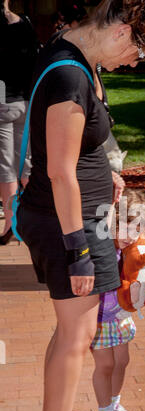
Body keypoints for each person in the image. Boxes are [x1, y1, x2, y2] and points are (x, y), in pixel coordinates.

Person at [16, 0, 145, 411]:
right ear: (123, 32)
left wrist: (109, 176)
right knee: (77, 339)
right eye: (139, 54)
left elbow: (71, 152)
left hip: (76, 216)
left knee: (70, 334)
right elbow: (61, 173)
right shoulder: (70, 75)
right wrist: (79, 251)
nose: (135, 63)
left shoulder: (72, 56)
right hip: (73, 224)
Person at [90, 188, 145, 411]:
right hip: (98, 318)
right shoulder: (102, 248)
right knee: (105, 364)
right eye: (126, 228)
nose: (132, 235)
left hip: (119, 316)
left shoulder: (131, 253)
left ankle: (114, 406)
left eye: (137, 229)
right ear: (112, 223)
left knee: (122, 362)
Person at [0, 0, 39, 244]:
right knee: (26, 164)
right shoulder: (25, 22)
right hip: (25, 102)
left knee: (6, 166)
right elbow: (34, 59)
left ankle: (11, 223)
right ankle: (39, 216)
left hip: (1, 102)